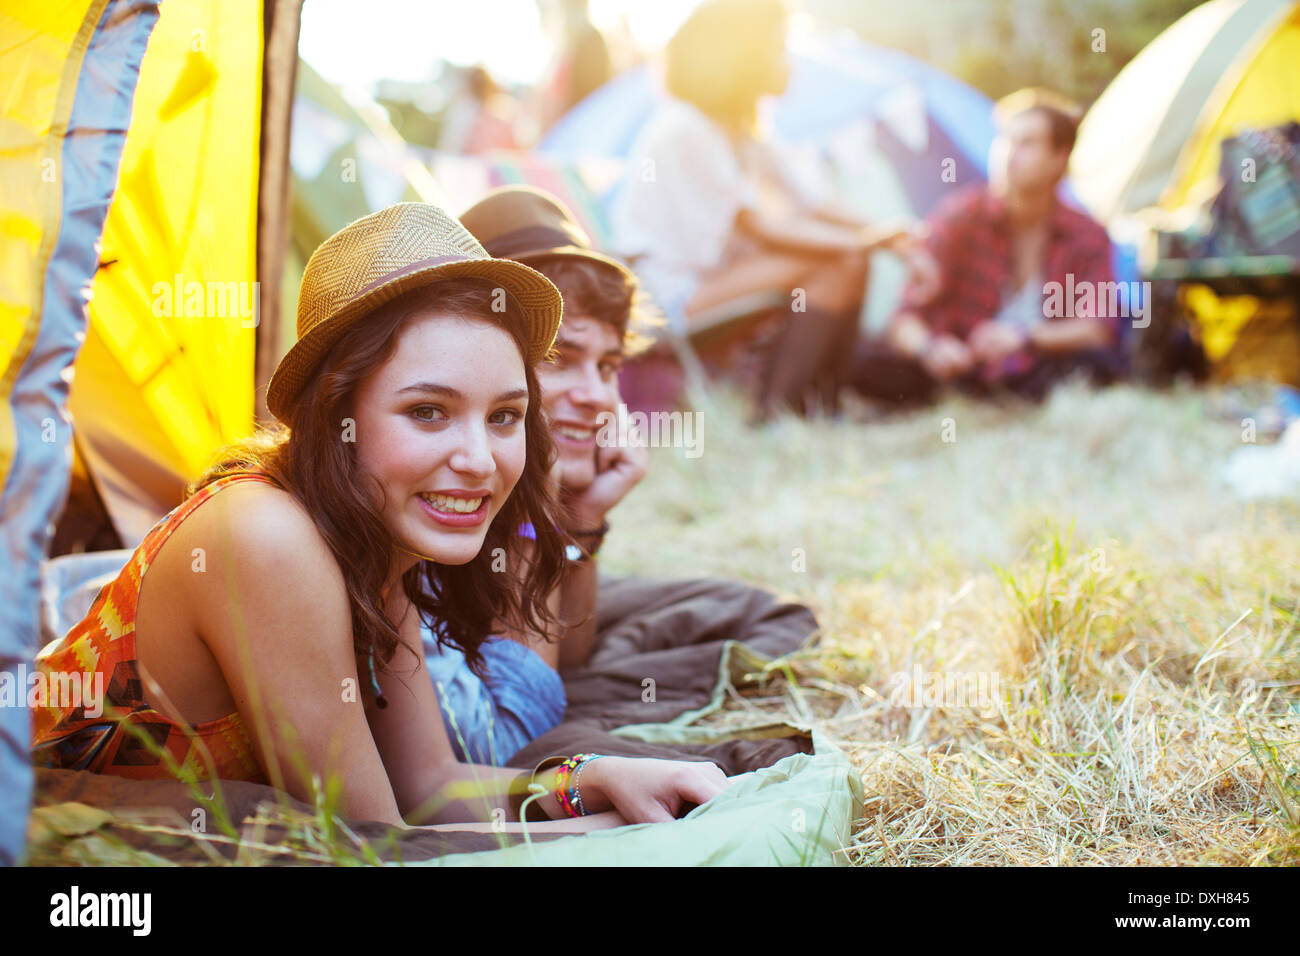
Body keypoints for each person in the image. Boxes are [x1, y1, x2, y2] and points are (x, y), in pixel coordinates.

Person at [30, 202, 728, 834]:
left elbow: (428, 786)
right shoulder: (267, 536)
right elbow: (376, 846)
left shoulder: (369, 544)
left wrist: (589, 780)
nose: (481, 461)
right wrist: (628, 833)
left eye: (505, 416)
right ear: (337, 417)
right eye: (428, 411)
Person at [423, 185, 651, 764]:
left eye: (608, 367)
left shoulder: (515, 491)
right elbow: (514, 732)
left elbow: (564, 658)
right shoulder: (430, 486)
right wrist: (533, 522)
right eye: (559, 358)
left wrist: (582, 520)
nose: (598, 396)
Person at [608, 0, 916, 419]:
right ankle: (777, 412)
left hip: (711, 282)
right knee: (846, 259)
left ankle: (819, 403)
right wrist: (872, 241)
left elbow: (816, 200)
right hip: (669, 297)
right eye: (778, 48)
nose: (790, 63)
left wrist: (895, 234)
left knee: (848, 261)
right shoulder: (686, 127)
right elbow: (763, 229)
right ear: (743, 58)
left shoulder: (741, 131)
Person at [852, 87, 1125, 405]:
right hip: (962, 365)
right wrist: (931, 348)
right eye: (1006, 139)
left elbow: (1098, 328)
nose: (1010, 152)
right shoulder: (960, 216)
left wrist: (1023, 337)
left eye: (1027, 143)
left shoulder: (1086, 234)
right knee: (867, 361)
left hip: (1036, 365)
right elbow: (905, 319)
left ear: (1059, 159)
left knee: (1099, 365)